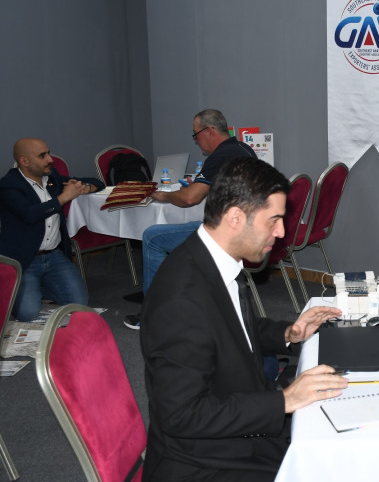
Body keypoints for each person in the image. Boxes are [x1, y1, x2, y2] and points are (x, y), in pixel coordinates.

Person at [140, 157, 350, 482]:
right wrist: (284, 400)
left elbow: (236, 329)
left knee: (344, 458)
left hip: (238, 434)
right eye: (274, 220)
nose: (282, 232)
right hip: (196, 467)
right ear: (236, 217)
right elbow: (181, 416)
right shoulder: (181, 299)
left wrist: (289, 332)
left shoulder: (215, 262)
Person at [124, 108, 256, 330]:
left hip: (230, 235)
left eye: (196, 135)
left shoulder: (220, 155)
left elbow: (189, 199)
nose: (196, 140)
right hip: (248, 227)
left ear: (209, 131)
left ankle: (154, 313)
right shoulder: (243, 148)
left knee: (152, 237)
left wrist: (164, 195)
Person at [0, 138, 103, 321]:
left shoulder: (51, 178)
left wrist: (86, 188)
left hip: (54, 256)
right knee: (27, 313)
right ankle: (27, 287)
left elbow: (96, 181)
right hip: (24, 259)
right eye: (42, 156)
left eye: (48, 153)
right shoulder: (9, 185)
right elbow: (30, 214)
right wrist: (64, 197)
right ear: (24, 161)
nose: (50, 159)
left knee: (79, 303)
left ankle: (40, 286)